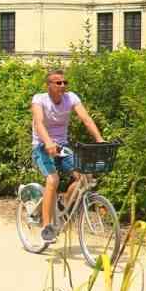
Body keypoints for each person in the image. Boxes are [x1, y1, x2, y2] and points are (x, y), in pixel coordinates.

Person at [30, 70, 104, 242]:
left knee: (84, 175)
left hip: (62, 146)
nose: (63, 85)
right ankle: (47, 227)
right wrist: (48, 142)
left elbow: (86, 119)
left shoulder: (71, 98)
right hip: (42, 145)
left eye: (65, 82)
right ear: (48, 85)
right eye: (58, 83)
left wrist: (99, 139)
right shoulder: (39, 99)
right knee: (53, 180)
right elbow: (39, 123)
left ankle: (64, 204)